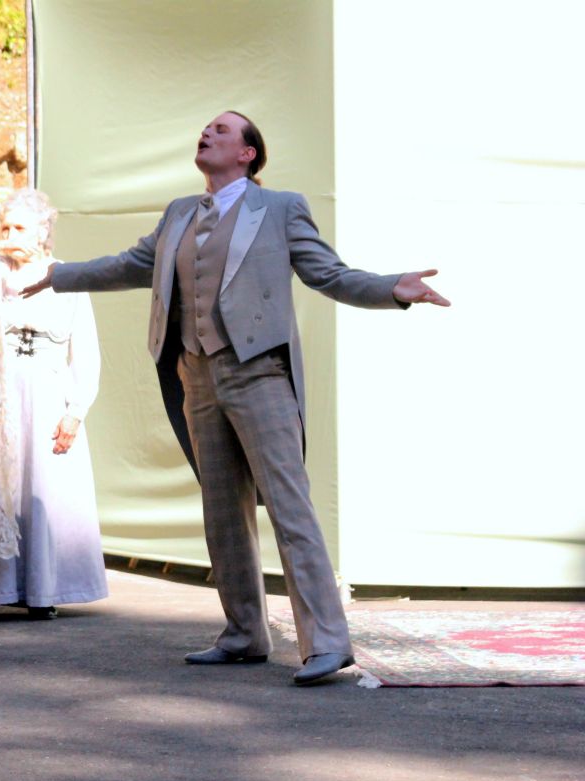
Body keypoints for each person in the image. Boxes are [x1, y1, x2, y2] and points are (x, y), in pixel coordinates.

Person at [24, 111, 449, 685]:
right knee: (222, 510)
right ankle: (244, 633)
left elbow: (327, 273)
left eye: (223, 130)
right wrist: (60, 275)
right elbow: (132, 266)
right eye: (206, 128)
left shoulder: (280, 208)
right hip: (196, 375)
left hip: (259, 373)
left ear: (248, 154)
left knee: (290, 508)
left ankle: (327, 642)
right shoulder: (179, 213)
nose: (208, 133)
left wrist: (390, 288)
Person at [0, 188, 107, 620]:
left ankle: (42, 591)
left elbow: (86, 352)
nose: (9, 235)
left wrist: (75, 411)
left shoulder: (66, 278)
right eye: (4, 227)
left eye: (19, 227)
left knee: (42, 490)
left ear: (42, 230)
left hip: (47, 396)